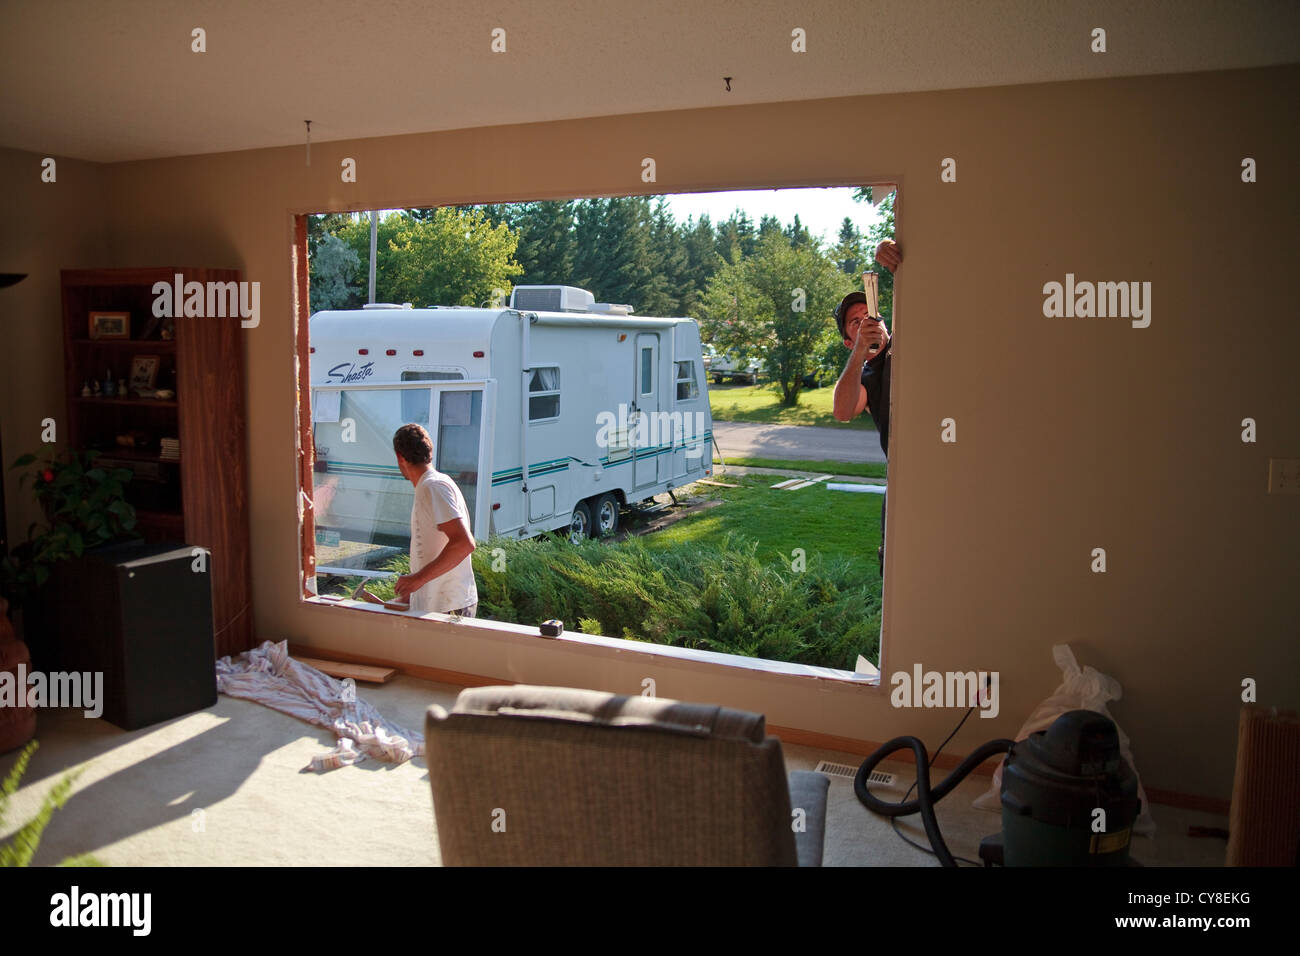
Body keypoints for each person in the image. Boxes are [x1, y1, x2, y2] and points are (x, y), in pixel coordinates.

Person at [832, 239, 901, 573]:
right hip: (904, 483)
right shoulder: (867, 374)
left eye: (869, 316)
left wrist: (889, 247)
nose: (865, 323)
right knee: (897, 569)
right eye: (855, 323)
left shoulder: (909, 342)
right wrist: (860, 352)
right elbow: (843, 411)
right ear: (848, 341)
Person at [391, 423, 479, 617]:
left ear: (400, 457)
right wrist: (414, 591)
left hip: (450, 607)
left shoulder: (433, 486)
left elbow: (464, 544)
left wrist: (417, 580)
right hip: (438, 606)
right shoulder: (430, 486)